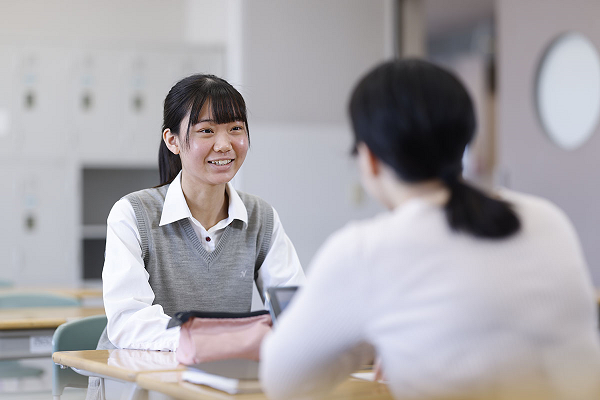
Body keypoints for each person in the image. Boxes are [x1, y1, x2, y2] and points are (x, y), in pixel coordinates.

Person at [260, 59, 600, 400]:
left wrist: (375, 339)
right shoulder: (546, 220)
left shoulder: (366, 250)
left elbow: (283, 381)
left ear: (370, 159)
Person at [97, 74, 305, 352]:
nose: (224, 144)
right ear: (172, 141)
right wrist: (216, 343)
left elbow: (296, 307)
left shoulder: (261, 217)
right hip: (140, 383)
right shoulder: (132, 214)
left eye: (235, 128)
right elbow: (128, 321)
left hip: (221, 377)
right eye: (206, 131)